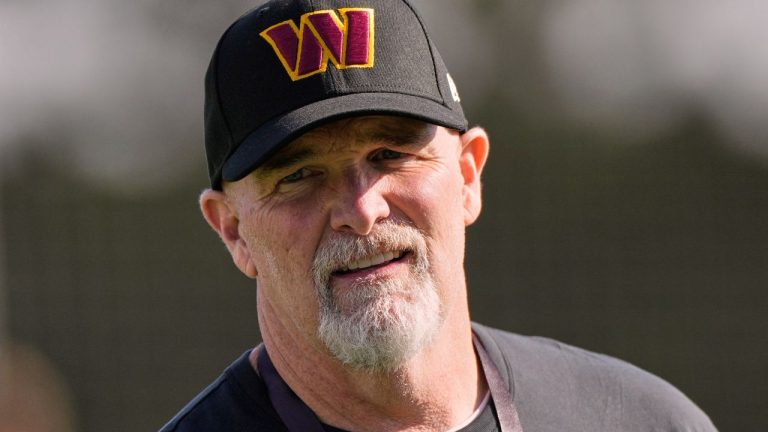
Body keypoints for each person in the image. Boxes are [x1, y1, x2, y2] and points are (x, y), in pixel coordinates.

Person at [161, 0, 717, 430]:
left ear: (468, 176)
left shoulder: (644, 422)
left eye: (391, 155)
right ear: (232, 229)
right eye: (299, 176)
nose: (361, 209)